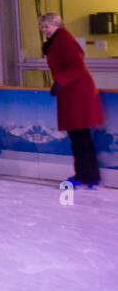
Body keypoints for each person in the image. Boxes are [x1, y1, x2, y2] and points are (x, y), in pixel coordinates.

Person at [39, 14, 103, 189]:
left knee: (80, 137)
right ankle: (87, 175)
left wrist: (60, 81)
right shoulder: (57, 42)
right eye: (43, 27)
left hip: (77, 95)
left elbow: (78, 67)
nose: (45, 30)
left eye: (48, 26)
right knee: (79, 137)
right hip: (72, 94)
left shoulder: (65, 42)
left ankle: (86, 175)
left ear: (57, 26)